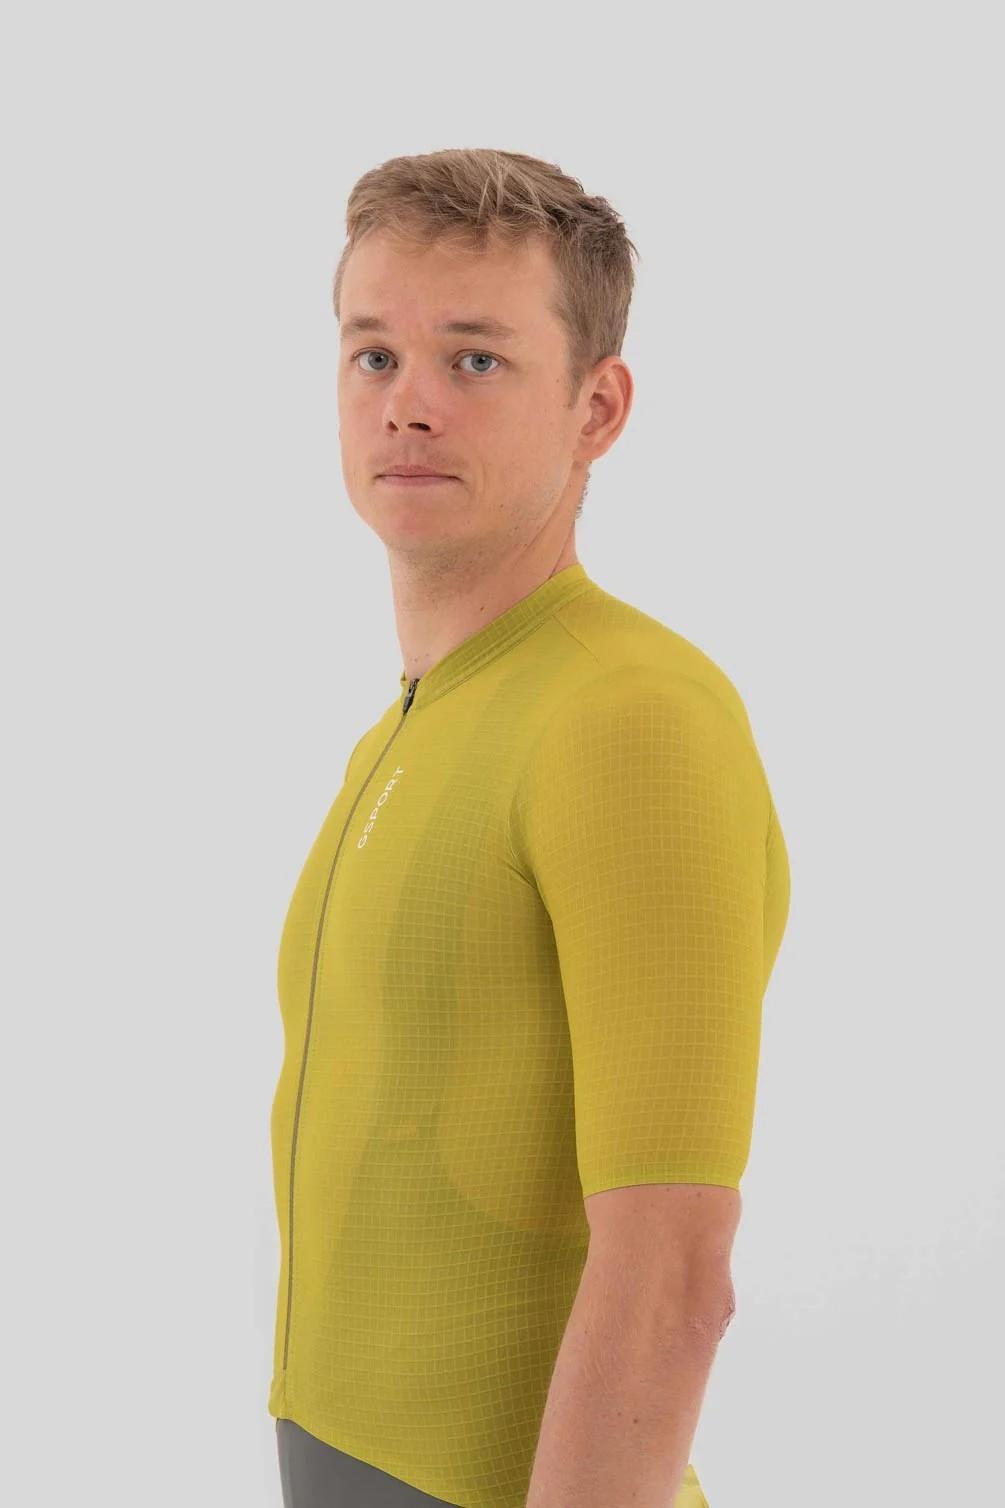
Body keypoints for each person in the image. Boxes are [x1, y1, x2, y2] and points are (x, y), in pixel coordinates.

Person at [268, 147, 791, 1508]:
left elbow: (674, 1270)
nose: (409, 403)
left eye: (476, 360)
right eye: (374, 356)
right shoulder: (415, 726)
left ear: (595, 408)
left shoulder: (629, 716)